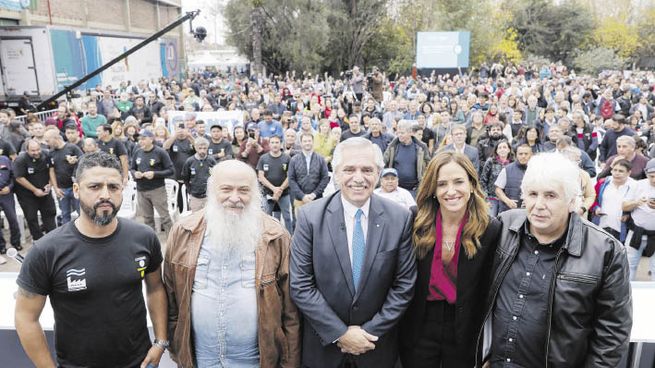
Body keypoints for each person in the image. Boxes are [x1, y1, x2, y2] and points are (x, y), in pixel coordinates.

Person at [477, 152, 632, 367]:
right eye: (532, 194)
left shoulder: (605, 250)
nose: (539, 204)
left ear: (571, 201)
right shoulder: (504, 226)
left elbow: (612, 335)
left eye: (550, 195)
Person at [15, 151, 168, 368]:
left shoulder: (144, 238)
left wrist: (160, 342)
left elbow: (155, 289)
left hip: (140, 362)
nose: (105, 194)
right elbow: (25, 318)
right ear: (76, 190)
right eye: (95, 187)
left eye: (113, 187)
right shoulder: (46, 251)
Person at [291, 137, 416, 367]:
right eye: (349, 169)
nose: (358, 178)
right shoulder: (309, 217)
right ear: (335, 173)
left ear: (378, 173)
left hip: (376, 348)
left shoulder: (400, 218)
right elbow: (301, 285)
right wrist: (340, 333)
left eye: (367, 169)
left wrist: (368, 333)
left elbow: (404, 286)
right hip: (325, 350)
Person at [164, 159, 301, 367]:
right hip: (201, 358)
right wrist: (178, 348)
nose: (235, 198)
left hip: (256, 359)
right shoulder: (183, 231)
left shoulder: (276, 235)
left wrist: (290, 362)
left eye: (244, 190)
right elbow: (172, 299)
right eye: (226, 189)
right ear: (212, 191)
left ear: (255, 194)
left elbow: (291, 312)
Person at [399, 151, 500, 367]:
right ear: (433, 190)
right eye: (442, 184)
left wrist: (489, 346)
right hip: (420, 324)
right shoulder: (415, 220)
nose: (451, 191)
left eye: (458, 182)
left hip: (464, 327)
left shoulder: (490, 229)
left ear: (472, 185)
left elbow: (489, 291)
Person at [131, 129, 175, 233]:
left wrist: (155, 174)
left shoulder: (160, 152)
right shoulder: (137, 152)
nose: (140, 141)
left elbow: (171, 170)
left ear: (151, 139)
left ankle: (173, 240)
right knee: (147, 219)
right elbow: (132, 168)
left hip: (157, 189)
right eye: (139, 139)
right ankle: (151, 241)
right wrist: (135, 173)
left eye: (143, 138)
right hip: (141, 190)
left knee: (165, 217)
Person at [13, 139, 57, 241]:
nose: (36, 152)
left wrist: (49, 185)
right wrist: (35, 190)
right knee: (31, 218)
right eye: (33, 151)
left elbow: (51, 170)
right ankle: (38, 240)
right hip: (27, 195)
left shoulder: (46, 155)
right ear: (27, 150)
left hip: (45, 192)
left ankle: (52, 240)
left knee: (50, 214)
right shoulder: (21, 159)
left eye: (38, 149)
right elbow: (19, 177)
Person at [622, 158, 655, 280]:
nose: (654, 180)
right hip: (636, 232)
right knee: (629, 265)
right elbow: (624, 205)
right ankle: (627, 295)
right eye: (651, 176)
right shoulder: (638, 185)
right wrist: (637, 203)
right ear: (646, 173)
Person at [45, 129, 83, 224]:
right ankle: (67, 236)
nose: (47, 143)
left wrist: (76, 161)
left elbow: (83, 161)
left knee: (81, 213)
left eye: (48, 140)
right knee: (65, 214)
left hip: (76, 187)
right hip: (62, 189)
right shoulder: (51, 153)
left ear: (55, 138)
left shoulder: (72, 148)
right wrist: (56, 188)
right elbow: (51, 171)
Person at [383, 120, 431, 197]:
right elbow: (384, 163)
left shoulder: (421, 147)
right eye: (398, 133)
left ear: (410, 133)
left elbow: (429, 166)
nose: (399, 135)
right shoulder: (392, 146)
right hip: (396, 189)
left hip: (415, 189)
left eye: (402, 133)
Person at [257, 135, 293, 233]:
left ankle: (290, 237)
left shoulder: (287, 158)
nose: (275, 145)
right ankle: (267, 236)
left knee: (287, 217)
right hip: (268, 193)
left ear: (280, 144)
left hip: (284, 193)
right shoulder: (263, 158)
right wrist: (274, 189)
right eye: (272, 142)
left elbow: (290, 176)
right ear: (269, 145)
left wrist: (280, 189)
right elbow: (261, 177)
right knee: (267, 217)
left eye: (277, 142)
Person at [592, 159, 636, 240]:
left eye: (621, 171)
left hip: (621, 228)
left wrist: (628, 215)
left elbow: (637, 206)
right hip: (602, 225)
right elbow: (592, 198)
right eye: (614, 170)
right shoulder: (603, 182)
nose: (617, 173)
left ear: (629, 173)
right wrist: (596, 208)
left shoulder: (635, 186)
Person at [287, 132, 330, 212]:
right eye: (305, 141)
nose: (307, 143)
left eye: (309, 141)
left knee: (317, 223)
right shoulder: (294, 160)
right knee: (299, 223)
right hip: (299, 200)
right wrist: (302, 196)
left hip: (317, 199)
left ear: (313, 142)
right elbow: (291, 180)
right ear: (301, 143)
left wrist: (314, 194)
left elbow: (325, 178)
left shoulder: (320, 159)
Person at [181, 137, 217, 212]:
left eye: (204, 148)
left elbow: (216, 176)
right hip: (195, 196)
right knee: (195, 218)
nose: (202, 151)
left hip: (209, 196)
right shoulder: (190, 161)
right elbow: (185, 177)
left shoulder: (211, 160)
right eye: (200, 148)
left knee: (209, 217)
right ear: (195, 148)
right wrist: (190, 191)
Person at [495, 144, 532, 214]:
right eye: (520, 154)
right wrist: (507, 201)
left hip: (529, 211)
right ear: (516, 155)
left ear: (531, 155)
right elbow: (498, 190)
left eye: (526, 154)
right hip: (508, 211)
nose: (523, 156)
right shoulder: (507, 170)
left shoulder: (537, 171)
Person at [480, 140, 513, 217]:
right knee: (491, 221)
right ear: (496, 151)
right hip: (492, 198)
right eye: (500, 148)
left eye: (504, 147)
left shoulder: (513, 164)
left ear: (509, 150)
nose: (502, 149)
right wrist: (486, 199)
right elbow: (483, 181)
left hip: (507, 199)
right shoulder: (490, 162)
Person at [0, 154, 21, 258]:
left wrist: (9, 187)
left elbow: (13, 176)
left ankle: (16, 242)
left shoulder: (4, 159)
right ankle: (1, 246)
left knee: (12, 219)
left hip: (6, 195)